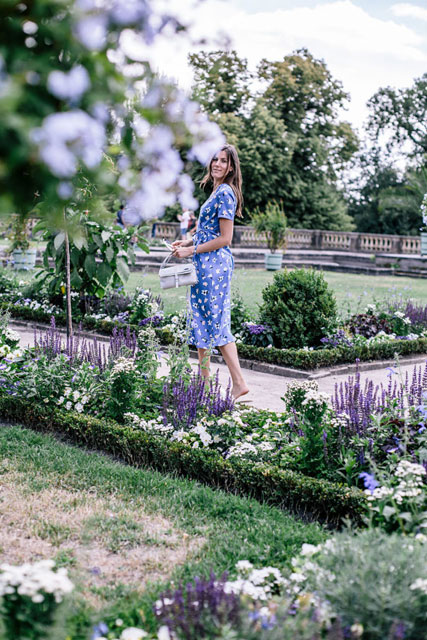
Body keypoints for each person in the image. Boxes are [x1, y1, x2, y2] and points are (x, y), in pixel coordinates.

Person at [172, 144, 249, 401]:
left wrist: (191, 251)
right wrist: (186, 243)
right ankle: (203, 384)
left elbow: (225, 239)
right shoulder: (216, 191)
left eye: (223, 161)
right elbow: (208, 231)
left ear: (231, 167)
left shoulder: (226, 193)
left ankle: (238, 382)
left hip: (214, 266)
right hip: (205, 265)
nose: (217, 164)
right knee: (202, 321)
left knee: (215, 321)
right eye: (214, 159)